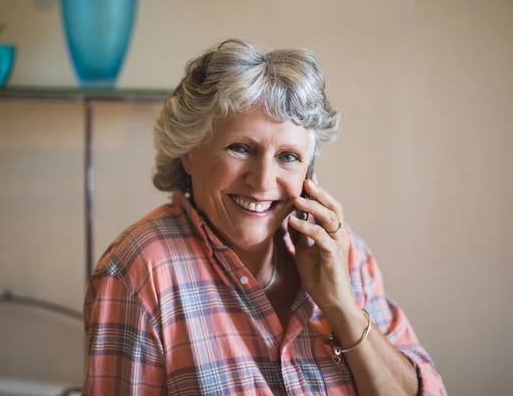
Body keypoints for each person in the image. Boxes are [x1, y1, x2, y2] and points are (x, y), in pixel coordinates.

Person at [82, 39, 447, 395]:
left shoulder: (343, 254)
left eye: (288, 156)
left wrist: (342, 307)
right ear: (188, 153)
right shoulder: (141, 270)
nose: (262, 181)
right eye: (240, 148)